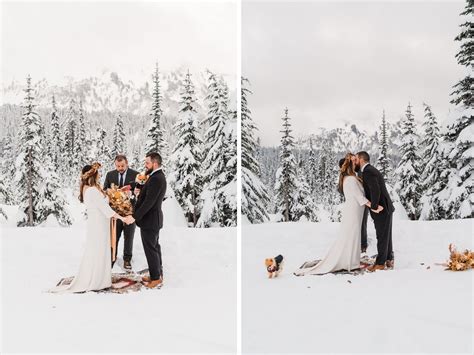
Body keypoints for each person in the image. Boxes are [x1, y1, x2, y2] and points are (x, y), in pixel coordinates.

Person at [103, 155, 139, 270]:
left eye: (122, 165)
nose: (120, 168)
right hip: (115, 213)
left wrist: (133, 193)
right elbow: (105, 190)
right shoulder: (110, 175)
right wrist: (111, 193)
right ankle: (112, 259)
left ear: (127, 163)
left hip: (130, 213)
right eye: (118, 166)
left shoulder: (135, 175)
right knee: (114, 237)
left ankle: (127, 259)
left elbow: (141, 190)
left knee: (129, 237)